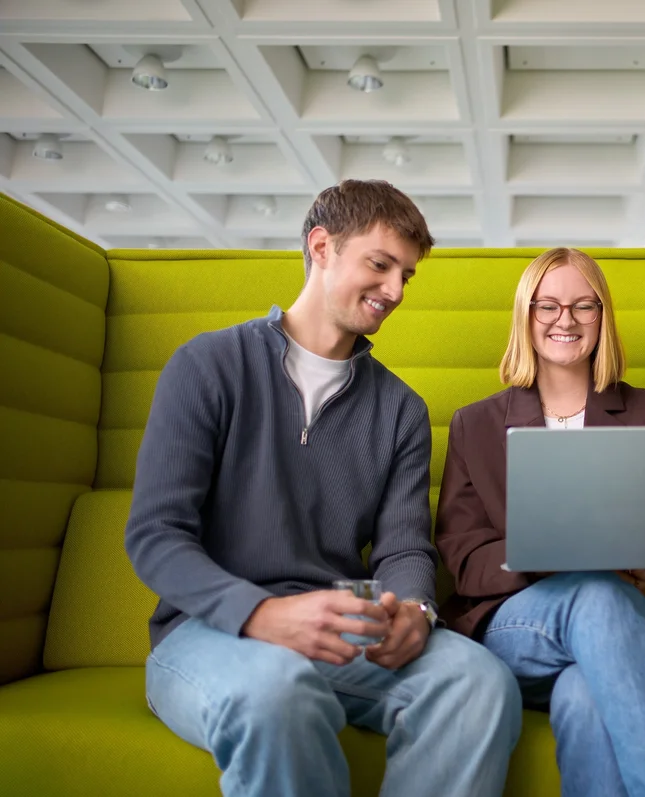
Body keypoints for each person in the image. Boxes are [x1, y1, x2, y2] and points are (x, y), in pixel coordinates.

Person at [124, 179, 522, 797]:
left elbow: (404, 549)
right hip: (209, 633)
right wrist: (262, 614)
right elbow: (155, 535)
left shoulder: (401, 410)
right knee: (274, 691)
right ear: (322, 246)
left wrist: (416, 610)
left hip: (340, 629)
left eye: (406, 276)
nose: (394, 291)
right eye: (380, 264)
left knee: (478, 681)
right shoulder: (207, 366)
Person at [434, 247, 645, 797]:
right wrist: (540, 551)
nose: (565, 320)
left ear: (604, 317)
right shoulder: (475, 424)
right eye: (546, 305)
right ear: (525, 316)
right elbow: (463, 558)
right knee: (595, 595)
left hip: (635, 627)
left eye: (584, 305)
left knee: (584, 694)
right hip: (520, 625)